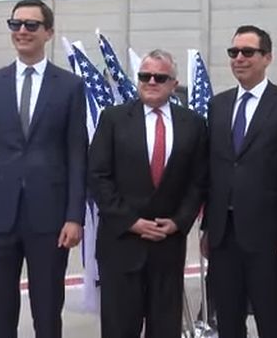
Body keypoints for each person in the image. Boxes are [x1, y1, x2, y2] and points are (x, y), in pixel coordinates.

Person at [0, 0, 88, 338]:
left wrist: (75, 216)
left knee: (47, 312)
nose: (22, 31)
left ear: (48, 32)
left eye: (31, 25)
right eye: (16, 24)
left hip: (50, 217)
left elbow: (77, 155)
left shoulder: (71, 86)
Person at [88, 49, 208, 338]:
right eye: (144, 76)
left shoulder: (192, 123)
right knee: (119, 328)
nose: (151, 81)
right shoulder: (113, 118)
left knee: (165, 328)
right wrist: (131, 221)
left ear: (173, 83)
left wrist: (179, 222)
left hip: (167, 247)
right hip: (121, 244)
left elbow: (198, 181)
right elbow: (98, 175)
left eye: (159, 77)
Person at [202, 25, 277, 338]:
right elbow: (214, 170)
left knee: (270, 319)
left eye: (248, 52)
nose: (239, 58)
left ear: (267, 57)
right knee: (228, 321)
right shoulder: (218, 105)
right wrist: (209, 225)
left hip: (270, 236)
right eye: (233, 52)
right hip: (223, 235)